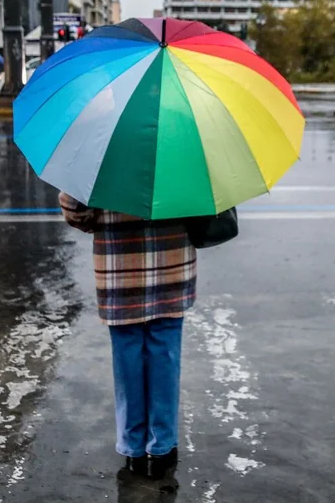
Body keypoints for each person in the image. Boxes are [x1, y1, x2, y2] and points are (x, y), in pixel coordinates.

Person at [58, 192, 195, 480]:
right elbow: (203, 206)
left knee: (127, 359)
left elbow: (75, 212)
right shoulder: (182, 151)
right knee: (165, 357)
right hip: (171, 265)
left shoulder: (100, 151)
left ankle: (133, 448)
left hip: (120, 268)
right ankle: (162, 447)